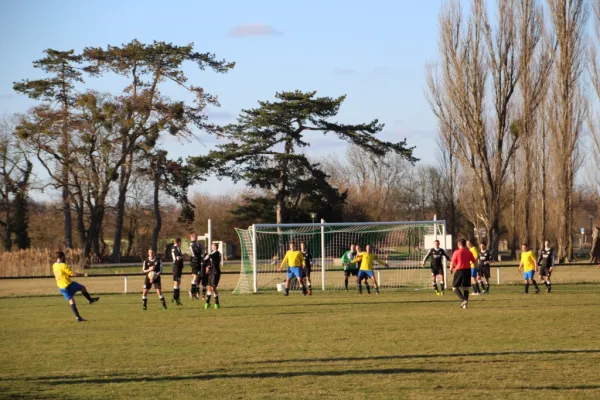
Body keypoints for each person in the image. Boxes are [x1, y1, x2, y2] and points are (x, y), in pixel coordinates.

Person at [52, 251, 99, 322]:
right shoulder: (63, 265)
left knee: (72, 300)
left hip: (61, 287)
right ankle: (90, 300)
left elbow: (62, 273)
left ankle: (78, 317)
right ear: (62, 257)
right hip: (68, 284)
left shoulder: (54, 265)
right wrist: (84, 275)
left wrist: (67, 269)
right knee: (82, 288)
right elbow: (73, 274)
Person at [450, 239, 476, 308]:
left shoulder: (456, 252)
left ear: (459, 244)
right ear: (464, 244)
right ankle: (465, 305)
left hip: (460, 270)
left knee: (454, 287)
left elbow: (452, 262)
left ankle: (463, 299)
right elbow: (474, 261)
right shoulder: (469, 252)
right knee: (465, 288)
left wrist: (450, 269)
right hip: (468, 270)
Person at [203, 243, 222, 309]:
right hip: (211, 273)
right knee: (210, 288)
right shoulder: (212, 254)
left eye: (212, 246)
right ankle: (208, 303)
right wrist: (207, 267)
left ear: (215, 247)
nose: (211, 247)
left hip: (216, 273)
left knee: (213, 288)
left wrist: (205, 256)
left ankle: (215, 303)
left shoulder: (217, 254)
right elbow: (208, 261)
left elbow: (208, 257)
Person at [188, 231, 204, 300]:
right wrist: (201, 252)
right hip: (195, 262)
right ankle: (191, 291)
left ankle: (193, 292)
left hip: (198, 262)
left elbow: (202, 251)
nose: (196, 236)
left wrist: (202, 253)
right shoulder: (191, 245)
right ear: (191, 237)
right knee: (195, 277)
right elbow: (195, 254)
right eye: (194, 236)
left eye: (196, 235)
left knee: (196, 278)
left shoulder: (198, 244)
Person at [171, 238, 184, 306]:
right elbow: (177, 258)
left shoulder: (177, 248)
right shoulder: (175, 248)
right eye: (180, 242)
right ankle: (175, 298)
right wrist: (183, 256)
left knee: (178, 282)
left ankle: (176, 297)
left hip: (178, 267)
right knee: (176, 282)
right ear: (178, 242)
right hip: (176, 267)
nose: (181, 244)